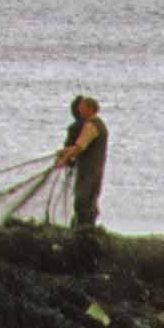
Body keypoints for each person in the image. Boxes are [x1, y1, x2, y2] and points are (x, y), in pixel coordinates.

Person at [56, 96, 108, 230]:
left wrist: (64, 158)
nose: (80, 112)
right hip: (96, 170)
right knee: (90, 199)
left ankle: (83, 229)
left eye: (82, 109)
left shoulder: (91, 126)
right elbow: (80, 146)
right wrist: (64, 151)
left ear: (90, 109)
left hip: (88, 171)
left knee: (82, 200)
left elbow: (79, 147)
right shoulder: (101, 125)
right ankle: (87, 227)